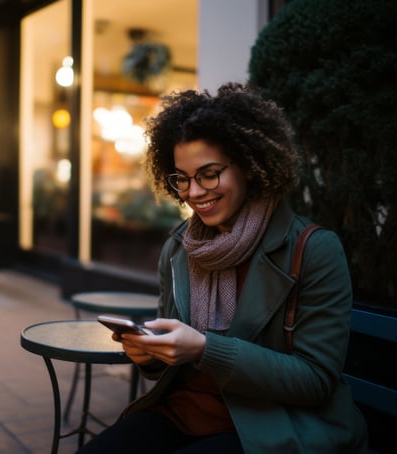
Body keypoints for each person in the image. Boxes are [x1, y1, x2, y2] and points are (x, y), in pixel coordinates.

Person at [79, 83, 368, 453]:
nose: (193, 192)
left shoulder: (313, 249)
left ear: (249, 165)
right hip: (181, 413)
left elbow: (316, 380)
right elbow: (172, 360)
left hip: (271, 425)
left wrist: (204, 349)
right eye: (181, 178)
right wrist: (149, 357)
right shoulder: (179, 247)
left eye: (209, 173)